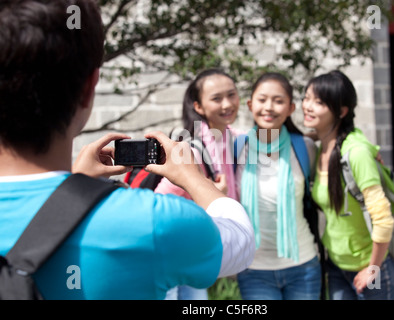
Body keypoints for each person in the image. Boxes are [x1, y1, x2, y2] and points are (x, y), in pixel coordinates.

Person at [0, 0, 255, 300]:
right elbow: (241, 240)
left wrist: (74, 187)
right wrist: (195, 179)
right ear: (88, 89)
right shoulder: (152, 221)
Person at [301, 70, 394, 300]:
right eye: (306, 98)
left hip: (371, 268)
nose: (308, 106)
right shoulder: (320, 149)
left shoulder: (356, 152)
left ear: (342, 111)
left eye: (319, 102)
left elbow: (383, 219)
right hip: (337, 265)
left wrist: (372, 269)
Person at [156, 68, 243, 300]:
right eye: (216, 98)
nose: (227, 104)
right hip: (171, 252)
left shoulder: (230, 138)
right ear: (198, 107)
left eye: (231, 95)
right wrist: (210, 196)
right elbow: (160, 201)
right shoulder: (192, 150)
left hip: (193, 251)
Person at [235, 72, 322, 300]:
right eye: (262, 100)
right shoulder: (236, 148)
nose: (269, 107)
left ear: (291, 108)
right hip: (253, 269)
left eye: (279, 101)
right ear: (250, 104)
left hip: (303, 265)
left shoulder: (305, 148)